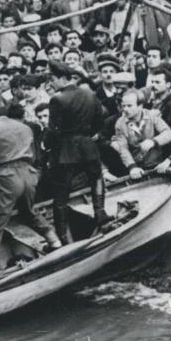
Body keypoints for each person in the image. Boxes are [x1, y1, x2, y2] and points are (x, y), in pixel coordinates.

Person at [0, 99, 60, 263]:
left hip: (7, 175)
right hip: (29, 173)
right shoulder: (26, 127)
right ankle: (54, 241)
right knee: (29, 212)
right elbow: (34, 155)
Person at [47, 61, 110, 244]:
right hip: (88, 145)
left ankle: (63, 236)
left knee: (61, 194)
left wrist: (47, 145)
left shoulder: (57, 99)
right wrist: (88, 135)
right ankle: (100, 212)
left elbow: (53, 130)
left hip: (66, 150)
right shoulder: (90, 94)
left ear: (61, 78)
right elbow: (100, 120)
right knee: (96, 178)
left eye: (52, 79)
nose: (51, 84)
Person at [110, 90, 171, 179]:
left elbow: (169, 133)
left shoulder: (152, 116)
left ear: (140, 106)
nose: (125, 109)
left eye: (129, 106)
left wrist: (153, 141)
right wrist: (132, 167)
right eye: (123, 106)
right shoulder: (120, 123)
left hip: (156, 164)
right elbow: (123, 148)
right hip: (136, 168)